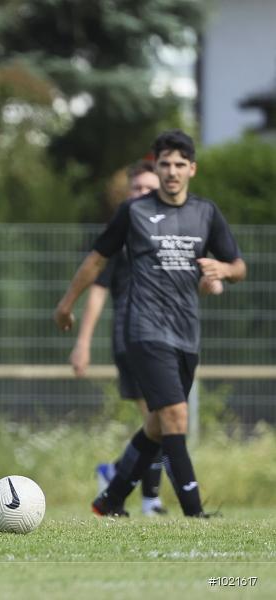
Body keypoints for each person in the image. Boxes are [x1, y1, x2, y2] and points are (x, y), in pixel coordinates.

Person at [55, 130, 246, 518]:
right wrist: (66, 303)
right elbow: (96, 260)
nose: (172, 171)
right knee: (176, 417)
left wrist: (222, 270)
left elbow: (239, 267)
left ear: (192, 168)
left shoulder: (206, 213)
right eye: (165, 164)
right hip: (144, 330)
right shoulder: (135, 212)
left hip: (186, 332)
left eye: (179, 164)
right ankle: (194, 510)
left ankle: (110, 499)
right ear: (156, 168)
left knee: (159, 424)